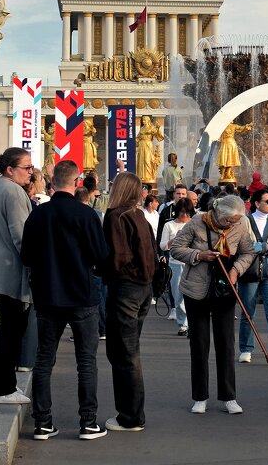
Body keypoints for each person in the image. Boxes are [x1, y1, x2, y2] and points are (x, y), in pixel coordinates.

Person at [22, 159, 109, 441]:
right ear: (77, 182)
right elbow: (100, 256)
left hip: (47, 295)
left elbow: (27, 256)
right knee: (86, 361)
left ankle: (43, 423)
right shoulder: (86, 215)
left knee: (44, 359)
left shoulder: (38, 215)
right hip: (82, 294)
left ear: (53, 182)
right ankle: (88, 423)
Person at [170, 195, 255, 414]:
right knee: (199, 343)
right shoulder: (197, 222)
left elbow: (248, 251)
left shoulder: (241, 224)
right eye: (229, 221)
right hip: (196, 289)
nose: (232, 224)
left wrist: (236, 270)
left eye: (235, 221)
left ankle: (229, 397)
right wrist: (199, 255)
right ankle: (200, 397)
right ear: (217, 214)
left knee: (226, 343)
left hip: (225, 287)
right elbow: (176, 248)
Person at [102, 171, 157, 432]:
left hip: (125, 287)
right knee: (128, 351)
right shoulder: (140, 217)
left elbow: (118, 257)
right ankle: (132, 413)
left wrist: (99, 268)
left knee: (124, 353)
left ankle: (131, 416)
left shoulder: (116, 216)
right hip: (144, 288)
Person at [0, 147, 36, 406]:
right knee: (12, 331)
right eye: (26, 168)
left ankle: (4, 385)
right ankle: (3, 388)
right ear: (9, 169)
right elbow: (22, 237)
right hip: (11, 271)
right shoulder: (13, 192)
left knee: (9, 329)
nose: (31, 173)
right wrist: (36, 267)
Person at [237, 189, 268, 364]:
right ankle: (246, 348)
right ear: (257, 203)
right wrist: (266, 246)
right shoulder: (245, 222)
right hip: (249, 272)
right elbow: (244, 245)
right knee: (247, 312)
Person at [160, 199, 193, 337]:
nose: (185, 215)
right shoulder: (169, 225)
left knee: (192, 295)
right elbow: (163, 245)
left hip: (192, 263)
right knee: (178, 297)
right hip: (175, 263)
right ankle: (182, 324)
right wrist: (176, 239)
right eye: (182, 212)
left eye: (187, 212)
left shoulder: (194, 224)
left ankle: (191, 324)